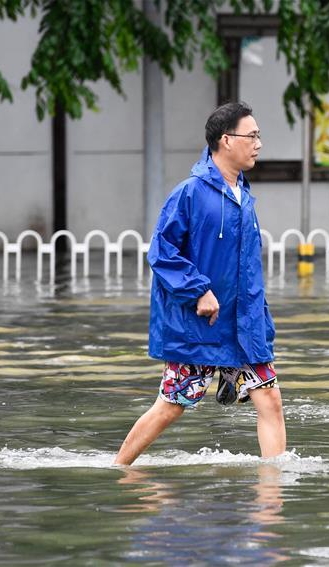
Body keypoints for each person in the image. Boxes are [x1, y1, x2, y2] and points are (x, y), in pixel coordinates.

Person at [115, 102, 285, 465]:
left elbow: (249, 271)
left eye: (258, 136)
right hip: (200, 326)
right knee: (171, 407)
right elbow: (161, 253)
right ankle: (118, 469)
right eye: (251, 135)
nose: (258, 143)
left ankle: (274, 490)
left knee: (270, 400)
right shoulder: (189, 193)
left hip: (243, 328)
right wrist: (199, 290)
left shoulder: (245, 196)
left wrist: (262, 321)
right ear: (226, 140)